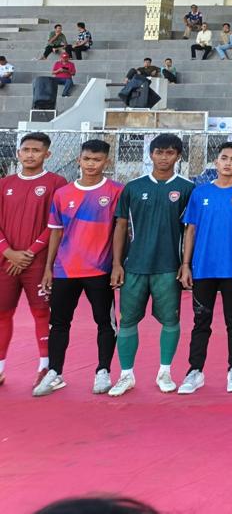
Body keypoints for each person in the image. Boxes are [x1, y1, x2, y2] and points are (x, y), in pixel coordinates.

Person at [107, 134, 196, 396]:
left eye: (170, 153)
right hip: (134, 266)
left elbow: (190, 230)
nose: (164, 157)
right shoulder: (133, 187)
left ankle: (165, 371)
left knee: (170, 321)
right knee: (127, 322)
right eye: (159, 152)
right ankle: (126, 375)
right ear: (150, 154)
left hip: (168, 267)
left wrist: (185, 264)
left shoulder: (187, 188)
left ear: (178, 156)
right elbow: (121, 226)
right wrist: (117, 264)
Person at [34, 140, 124, 397]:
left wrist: (117, 264)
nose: (91, 164)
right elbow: (55, 232)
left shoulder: (116, 191)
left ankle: (103, 371)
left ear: (106, 162)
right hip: (65, 270)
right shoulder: (62, 194)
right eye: (86, 159)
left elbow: (120, 230)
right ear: (79, 160)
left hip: (99, 270)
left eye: (97, 160)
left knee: (105, 323)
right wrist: (49, 268)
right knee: (59, 323)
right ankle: (54, 372)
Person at [175, 141, 232, 395]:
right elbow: (191, 230)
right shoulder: (200, 193)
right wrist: (186, 265)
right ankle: (195, 371)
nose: (228, 162)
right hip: (203, 269)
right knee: (201, 322)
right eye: (224, 158)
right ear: (216, 161)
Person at [0, 132, 66, 389]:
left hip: (38, 262)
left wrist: (28, 253)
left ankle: (45, 366)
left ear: (47, 154)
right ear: (18, 153)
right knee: (3, 313)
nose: (30, 155)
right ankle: (1, 368)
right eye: (25, 150)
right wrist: (8, 252)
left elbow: (56, 223)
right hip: (5, 260)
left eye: (36, 150)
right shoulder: (4, 183)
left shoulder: (56, 183)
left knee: (41, 312)